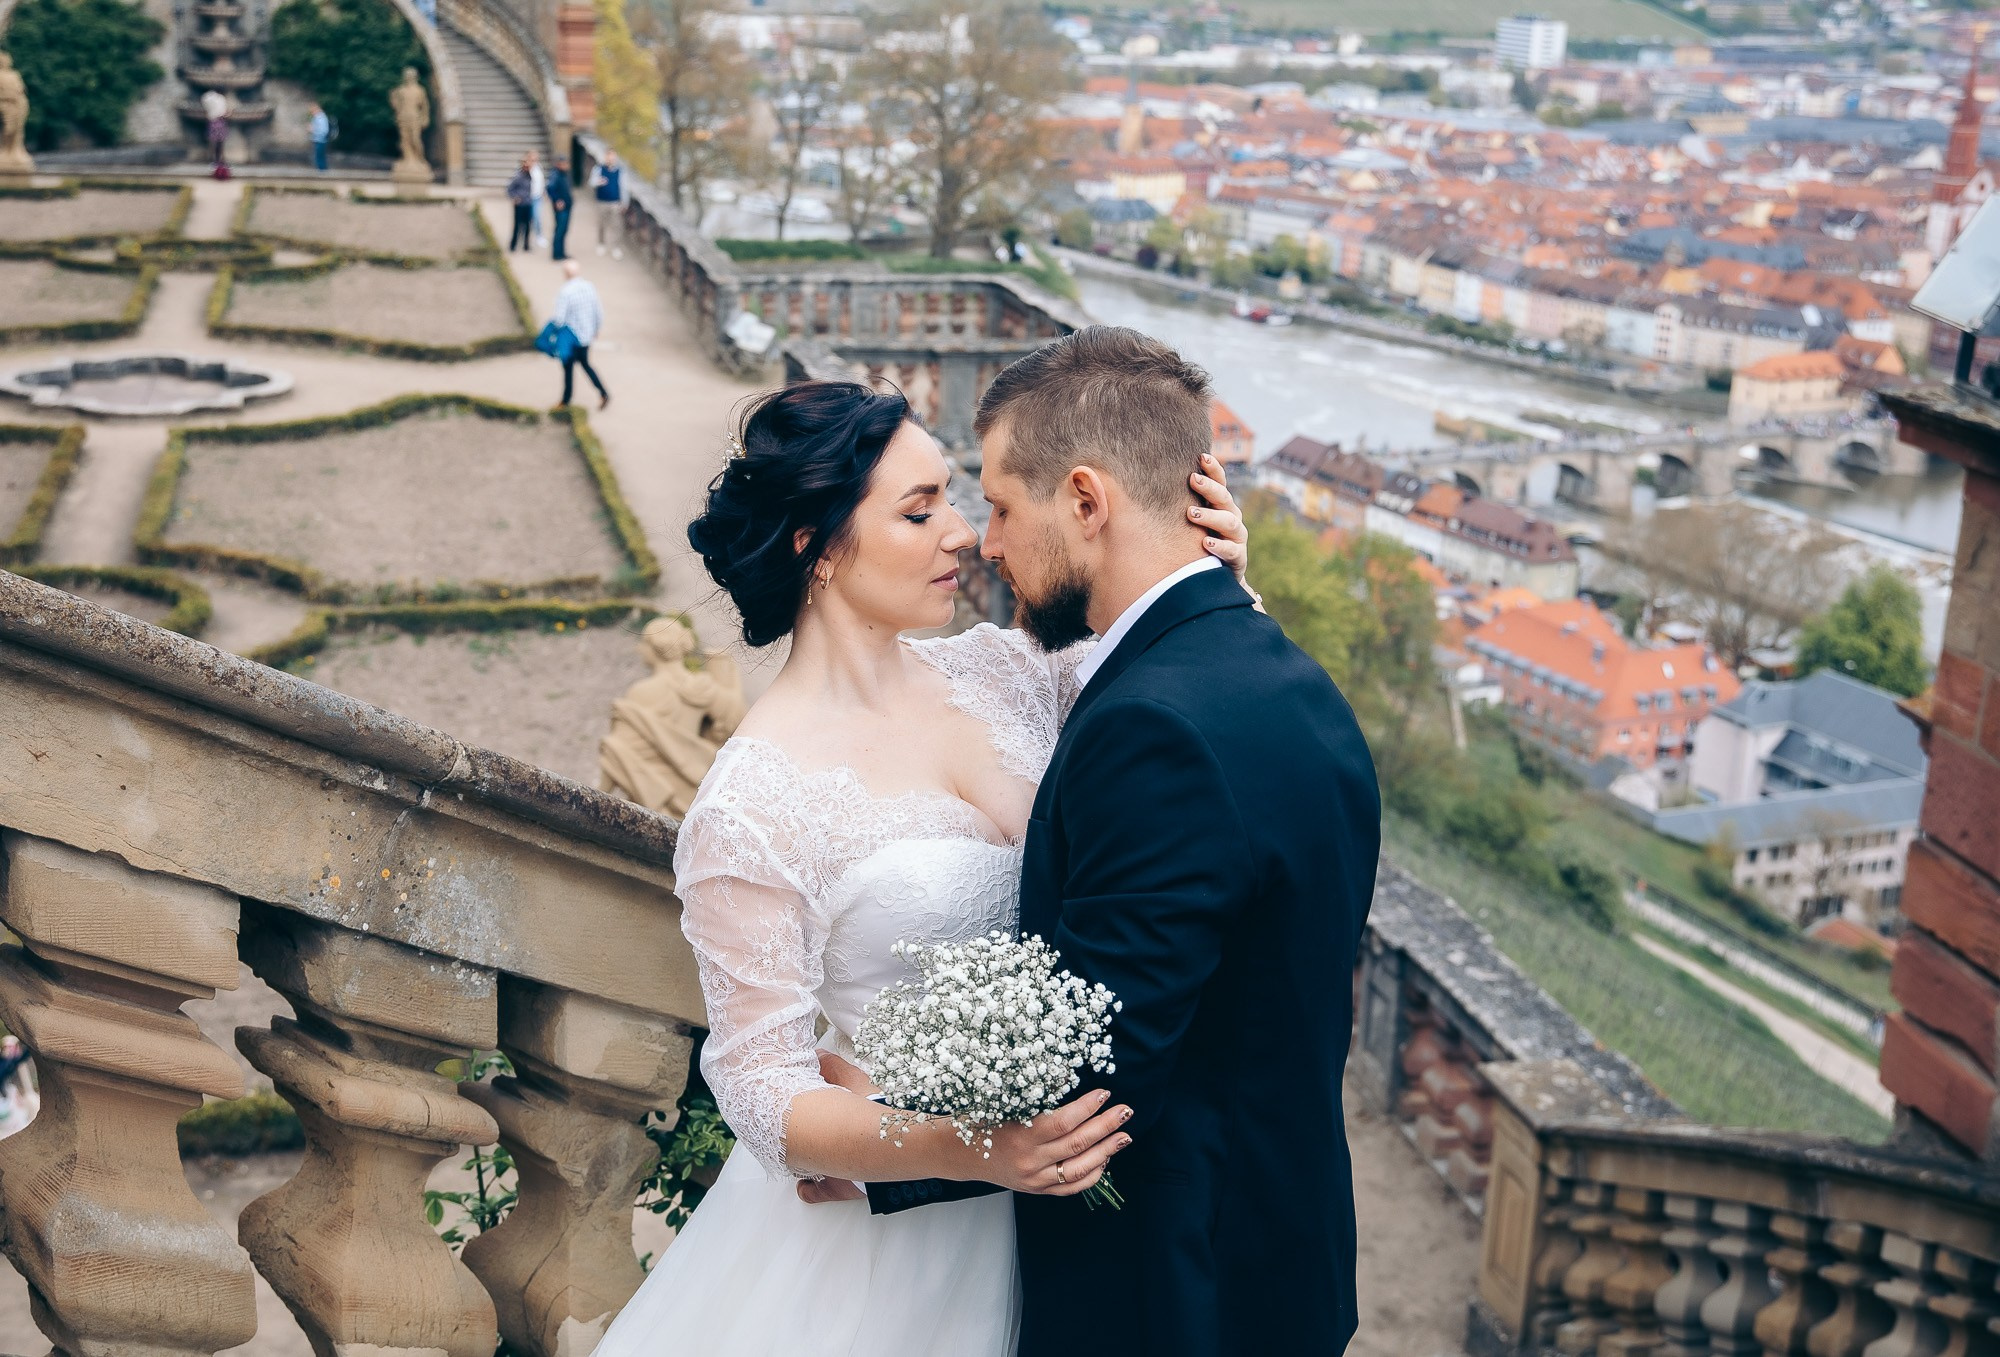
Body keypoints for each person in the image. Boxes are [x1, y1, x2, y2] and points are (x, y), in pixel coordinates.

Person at [585, 342, 1293, 1357]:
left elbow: (1187, 707)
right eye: (918, 512)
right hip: (883, 1258)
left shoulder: (1011, 670)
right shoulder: (748, 807)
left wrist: (1215, 576)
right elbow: (760, 1087)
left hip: (1072, 1216)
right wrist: (967, 1146)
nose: (963, 533)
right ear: (815, 547)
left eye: (955, 500)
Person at [551, 260, 608, 409]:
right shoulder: (589, 287)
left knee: (568, 367)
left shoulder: (565, 292)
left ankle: (565, 400)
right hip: (586, 335)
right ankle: (603, 392)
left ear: (566, 274)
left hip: (571, 338)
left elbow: (559, 319)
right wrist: (596, 329)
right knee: (586, 364)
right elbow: (599, 312)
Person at [589, 149, 625, 258]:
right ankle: (601, 244)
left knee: (617, 225)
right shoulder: (598, 169)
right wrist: (598, 182)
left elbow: (624, 187)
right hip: (602, 201)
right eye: (609, 157)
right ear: (606, 157)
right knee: (602, 224)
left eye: (613, 157)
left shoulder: (620, 170)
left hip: (615, 202)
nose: (611, 159)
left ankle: (615, 247)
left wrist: (624, 202)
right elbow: (591, 182)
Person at [547, 157, 575, 261]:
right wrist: (557, 200)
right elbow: (550, 188)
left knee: (564, 230)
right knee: (559, 230)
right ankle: (556, 254)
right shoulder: (555, 175)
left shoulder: (565, 174)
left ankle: (562, 252)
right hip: (561, 208)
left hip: (567, 206)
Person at [506, 156, 533, 252]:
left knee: (528, 225)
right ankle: (513, 245)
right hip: (520, 204)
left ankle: (526, 245)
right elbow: (509, 189)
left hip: (528, 203)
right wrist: (515, 197)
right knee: (517, 226)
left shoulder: (530, 175)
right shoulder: (518, 176)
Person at [202, 88, 229, 172]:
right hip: (217, 121)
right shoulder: (214, 98)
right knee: (217, 143)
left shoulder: (211, 98)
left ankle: (218, 161)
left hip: (217, 121)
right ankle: (217, 161)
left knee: (218, 142)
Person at [527, 150, 547, 250]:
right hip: (528, 197)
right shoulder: (526, 169)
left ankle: (539, 236)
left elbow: (541, 181)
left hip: (537, 197)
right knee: (528, 218)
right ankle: (527, 237)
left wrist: (544, 192)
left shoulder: (539, 168)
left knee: (537, 217)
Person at [308, 103, 331, 174]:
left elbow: (323, 130)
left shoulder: (320, 118)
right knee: (319, 156)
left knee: (320, 156)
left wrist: (313, 130)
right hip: (318, 139)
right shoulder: (318, 117)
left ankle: (322, 171)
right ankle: (322, 171)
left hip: (320, 139)